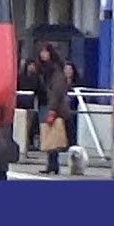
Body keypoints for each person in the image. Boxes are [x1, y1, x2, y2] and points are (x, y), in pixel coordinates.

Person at [36, 43, 74, 175]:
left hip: (56, 107)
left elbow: (56, 91)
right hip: (48, 104)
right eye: (41, 52)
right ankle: (52, 164)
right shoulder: (45, 69)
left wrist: (52, 109)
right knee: (50, 135)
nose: (43, 54)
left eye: (45, 52)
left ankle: (53, 164)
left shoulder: (56, 70)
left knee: (54, 135)